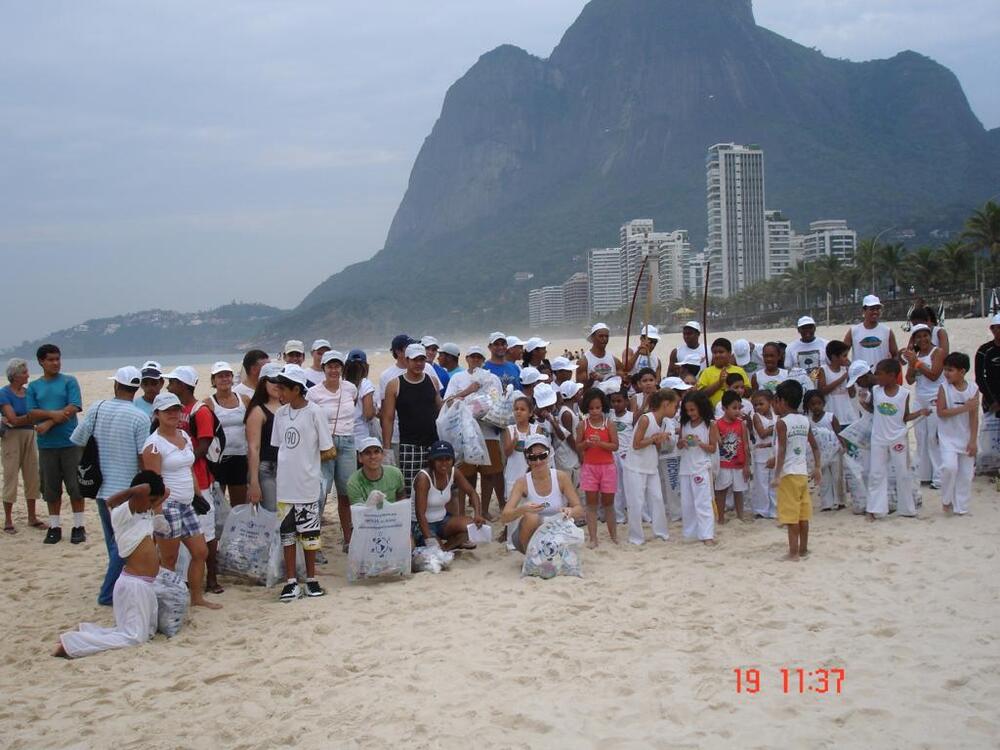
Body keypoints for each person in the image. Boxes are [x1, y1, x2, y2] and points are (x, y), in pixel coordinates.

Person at [55, 472, 167, 659]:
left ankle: (84, 633)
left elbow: (164, 493)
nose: (153, 505)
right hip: (134, 585)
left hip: (143, 585)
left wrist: (150, 494)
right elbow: (114, 500)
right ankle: (71, 645)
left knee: (142, 632)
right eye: (150, 500)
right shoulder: (122, 513)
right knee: (134, 638)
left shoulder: (144, 513)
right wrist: (137, 491)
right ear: (137, 497)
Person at [70, 366, 150, 606]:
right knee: (122, 543)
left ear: (116, 385)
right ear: (136, 388)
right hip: (126, 489)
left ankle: (116, 586)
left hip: (101, 487)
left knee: (112, 542)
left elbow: (77, 439)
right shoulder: (140, 417)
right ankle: (108, 593)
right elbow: (142, 457)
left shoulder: (97, 408)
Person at [142, 392, 220, 610]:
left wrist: (197, 495)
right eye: (167, 411)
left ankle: (196, 597)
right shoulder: (154, 445)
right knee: (169, 559)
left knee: (200, 552)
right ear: (157, 414)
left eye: (176, 409)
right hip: (168, 506)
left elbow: (189, 468)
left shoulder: (184, 436)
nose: (173, 414)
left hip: (187, 503)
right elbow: (153, 482)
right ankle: (165, 603)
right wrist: (157, 514)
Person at [271, 365, 333, 601]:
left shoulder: (315, 412)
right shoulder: (280, 414)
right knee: (287, 535)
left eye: (283, 389)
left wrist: (312, 469)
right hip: (285, 485)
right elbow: (280, 447)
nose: (280, 393)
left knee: (310, 535)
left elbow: (327, 448)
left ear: (297, 389)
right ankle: (290, 581)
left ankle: (311, 578)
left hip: (307, 484)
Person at [164, 365, 221, 594]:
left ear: (184, 385)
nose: (169, 386)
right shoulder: (176, 410)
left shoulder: (200, 410)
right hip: (179, 481)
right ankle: (186, 579)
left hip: (200, 479)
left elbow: (205, 443)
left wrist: (183, 460)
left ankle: (213, 578)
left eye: (173, 382)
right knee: (183, 532)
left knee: (206, 531)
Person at [26, 344, 84, 544]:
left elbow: (74, 406)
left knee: (75, 486)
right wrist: (54, 414)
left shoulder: (69, 381)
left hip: (70, 442)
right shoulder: (34, 387)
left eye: (57, 358)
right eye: (50, 359)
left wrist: (49, 422)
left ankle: (78, 525)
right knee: (51, 489)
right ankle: (55, 526)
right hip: (47, 445)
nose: (55, 363)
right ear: (41, 362)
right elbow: (32, 412)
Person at [500, 434, 584, 553]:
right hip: (530, 535)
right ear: (527, 459)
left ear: (548, 455)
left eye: (542, 456)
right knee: (531, 517)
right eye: (533, 457)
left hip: (557, 532)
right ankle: (531, 558)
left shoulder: (561, 477)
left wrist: (570, 511)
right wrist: (523, 509)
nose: (538, 461)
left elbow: (579, 509)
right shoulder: (522, 482)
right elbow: (505, 517)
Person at [863, 359, 924, 520]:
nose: (877, 377)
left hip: (898, 438)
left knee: (903, 473)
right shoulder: (876, 391)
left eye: (880, 374)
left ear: (891, 375)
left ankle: (907, 509)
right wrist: (862, 401)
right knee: (876, 474)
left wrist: (921, 413)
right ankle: (875, 509)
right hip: (878, 438)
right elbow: (871, 409)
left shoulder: (904, 394)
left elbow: (905, 416)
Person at [307, 350, 357, 544]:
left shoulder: (350, 388)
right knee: (320, 494)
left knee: (347, 493)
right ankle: (313, 542)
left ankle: (348, 538)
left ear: (342, 368)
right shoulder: (314, 393)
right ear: (323, 368)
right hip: (323, 445)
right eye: (330, 366)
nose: (334, 370)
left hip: (347, 442)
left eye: (337, 366)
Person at [381, 343, 442, 496]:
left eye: (422, 360)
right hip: (409, 445)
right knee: (410, 488)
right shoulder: (395, 385)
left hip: (433, 442)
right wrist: (387, 449)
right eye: (415, 360)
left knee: (434, 486)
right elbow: (388, 418)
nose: (419, 364)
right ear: (407, 361)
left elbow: (441, 411)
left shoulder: (432, 381)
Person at [771, 380, 822, 561]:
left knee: (791, 516)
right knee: (803, 515)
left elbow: (783, 449)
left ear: (782, 401)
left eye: (775, 401)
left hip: (788, 474)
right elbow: (814, 447)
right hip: (801, 473)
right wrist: (817, 467)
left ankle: (793, 553)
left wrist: (777, 475)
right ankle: (803, 549)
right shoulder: (804, 420)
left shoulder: (782, 423)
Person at [623, 388, 677, 545]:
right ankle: (636, 537)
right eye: (674, 406)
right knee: (636, 503)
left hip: (651, 464)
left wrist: (660, 441)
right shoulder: (646, 419)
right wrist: (655, 439)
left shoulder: (666, 422)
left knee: (657, 499)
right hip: (635, 466)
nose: (676, 410)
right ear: (665, 404)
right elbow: (636, 444)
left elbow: (658, 447)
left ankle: (661, 532)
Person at [412, 440, 484, 548]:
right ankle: (446, 546)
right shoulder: (424, 478)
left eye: (448, 459)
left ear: (453, 460)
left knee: (475, 527)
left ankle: (446, 547)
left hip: (443, 520)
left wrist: (478, 514)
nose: (444, 463)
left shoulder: (453, 472)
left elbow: (472, 492)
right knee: (435, 548)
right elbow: (420, 513)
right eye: (439, 459)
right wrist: (429, 538)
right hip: (421, 523)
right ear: (432, 461)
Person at [1, 358, 43, 532]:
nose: (27, 375)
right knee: (11, 475)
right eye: (24, 372)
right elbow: (11, 418)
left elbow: (22, 418)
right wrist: (28, 417)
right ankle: (8, 519)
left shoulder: (28, 392)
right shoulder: (4, 393)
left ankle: (32, 517)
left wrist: (22, 419)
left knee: (32, 474)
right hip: (11, 437)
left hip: (29, 434)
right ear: (15, 375)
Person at [936, 352, 979, 516]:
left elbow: (974, 417)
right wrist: (964, 408)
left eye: (951, 370)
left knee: (966, 474)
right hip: (948, 437)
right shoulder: (944, 388)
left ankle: (961, 507)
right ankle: (946, 500)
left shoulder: (974, 389)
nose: (946, 373)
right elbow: (941, 412)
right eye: (945, 369)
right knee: (949, 467)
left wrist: (973, 441)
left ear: (962, 371)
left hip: (966, 436)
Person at [903, 324, 945, 488]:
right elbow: (910, 379)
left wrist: (918, 363)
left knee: (933, 438)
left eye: (925, 335)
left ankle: (939, 477)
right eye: (918, 337)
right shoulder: (916, 355)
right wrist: (912, 362)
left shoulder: (938, 352)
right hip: (919, 398)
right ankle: (924, 474)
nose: (923, 339)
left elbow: (934, 375)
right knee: (921, 437)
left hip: (935, 397)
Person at [576, 388, 619, 547]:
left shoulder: (609, 424)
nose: (595, 411)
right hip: (590, 468)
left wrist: (600, 443)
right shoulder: (583, 425)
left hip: (607, 467)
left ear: (603, 407)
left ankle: (613, 536)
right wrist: (586, 443)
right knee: (591, 504)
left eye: (598, 408)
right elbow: (578, 446)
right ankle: (593, 538)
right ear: (587, 408)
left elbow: (615, 446)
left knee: (609, 504)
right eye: (592, 408)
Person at [204, 362, 249, 506]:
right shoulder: (208, 403)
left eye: (227, 375)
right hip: (218, 459)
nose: (224, 379)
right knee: (218, 503)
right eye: (220, 376)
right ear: (213, 380)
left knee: (239, 504)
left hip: (240, 457)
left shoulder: (244, 400)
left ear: (232, 378)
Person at [677, 391, 718, 545]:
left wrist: (700, 443)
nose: (690, 413)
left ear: (701, 407)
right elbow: (679, 445)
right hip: (686, 467)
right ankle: (691, 534)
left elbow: (713, 448)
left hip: (701, 466)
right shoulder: (685, 424)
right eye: (687, 410)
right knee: (687, 503)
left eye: (693, 410)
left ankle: (707, 535)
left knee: (703, 502)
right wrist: (682, 442)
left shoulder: (710, 424)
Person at [245, 362, 283, 512]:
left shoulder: (288, 407)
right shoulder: (258, 411)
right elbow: (253, 448)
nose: (277, 384)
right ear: (263, 382)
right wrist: (254, 482)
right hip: (266, 468)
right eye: (272, 380)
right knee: (271, 513)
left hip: (286, 468)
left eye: (280, 380)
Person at [803, 390, 843, 511]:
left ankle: (840, 501)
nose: (816, 407)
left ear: (823, 403)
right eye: (812, 404)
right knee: (823, 478)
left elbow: (839, 433)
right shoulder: (807, 421)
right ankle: (827, 503)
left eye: (818, 403)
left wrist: (843, 446)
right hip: (819, 454)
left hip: (835, 451)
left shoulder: (830, 417)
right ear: (807, 406)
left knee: (837, 476)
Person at [715, 390, 751, 523]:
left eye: (739, 408)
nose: (737, 411)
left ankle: (740, 516)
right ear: (724, 408)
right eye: (734, 408)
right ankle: (721, 518)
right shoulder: (717, 424)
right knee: (721, 490)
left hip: (739, 463)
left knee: (739, 491)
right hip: (723, 464)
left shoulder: (741, 423)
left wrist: (747, 465)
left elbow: (746, 445)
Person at [502, 394, 543, 500]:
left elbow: (538, 452)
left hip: (532, 476)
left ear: (530, 413)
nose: (518, 412)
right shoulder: (509, 429)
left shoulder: (536, 429)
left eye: (522, 409)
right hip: (513, 475)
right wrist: (514, 442)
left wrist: (530, 440)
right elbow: (507, 453)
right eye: (516, 409)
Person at [347, 437, 406, 506]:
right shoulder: (353, 482)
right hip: (367, 516)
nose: (373, 456)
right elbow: (359, 511)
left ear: (382, 455)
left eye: (376, 452)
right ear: (360, 458)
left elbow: (402, 498)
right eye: (367, 453)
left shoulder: (395, 473)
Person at [844, 295, 899, 368]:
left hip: (881, 377)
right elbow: (841, 355)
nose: (875, 312)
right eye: (872, 309)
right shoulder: (853, 331)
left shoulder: (887, 331)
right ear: (864, 310)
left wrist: (890, 370)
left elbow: (895, 355)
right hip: (861, 378)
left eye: (878, 309)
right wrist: (853, 368)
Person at [696, 338, 750, 408]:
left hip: (737, 412)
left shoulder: (739, 370)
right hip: (714, 413)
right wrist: (719, 383)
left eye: (721, 352)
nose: (717, 355)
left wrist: (735, 387)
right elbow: (701, 395)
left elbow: (749, 392)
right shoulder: (706, 372)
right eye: (715, 353)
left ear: (730, 353)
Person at [817, 341, 859, 427]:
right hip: (832, 413)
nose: (847, 359)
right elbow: (822, 391)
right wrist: (843, 377)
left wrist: (850, 376)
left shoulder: (845, 370)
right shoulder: (823, 370)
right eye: (844, 356)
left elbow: (852, 394)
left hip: (847, 415)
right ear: (834, 357)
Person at [344, 349, 379, 449]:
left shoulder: (341, 384)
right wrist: (375, 410)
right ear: (366, 367)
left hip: (344, 436)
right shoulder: (365, 383)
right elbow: (368, 414)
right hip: (361, 439)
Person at [750, 390, 777, 519]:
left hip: (774, 453)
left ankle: (774, 510)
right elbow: (762, 433)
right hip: (761, 455)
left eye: (761, 403)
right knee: (761, 483)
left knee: (773, 482)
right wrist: (776, 428)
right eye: (755, 405)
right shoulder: (757, 417)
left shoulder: (777, 416)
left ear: (770, 402)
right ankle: (761, 510)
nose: (758, 407)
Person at [576, 323, 622, 387]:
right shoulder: (583, 362)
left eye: (606, 336)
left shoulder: (615, 361)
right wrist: (591, 380)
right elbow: (580, 389)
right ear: (592, 338)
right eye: (601, 336)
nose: (604, 339)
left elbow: (622, 383)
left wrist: (603, 378)